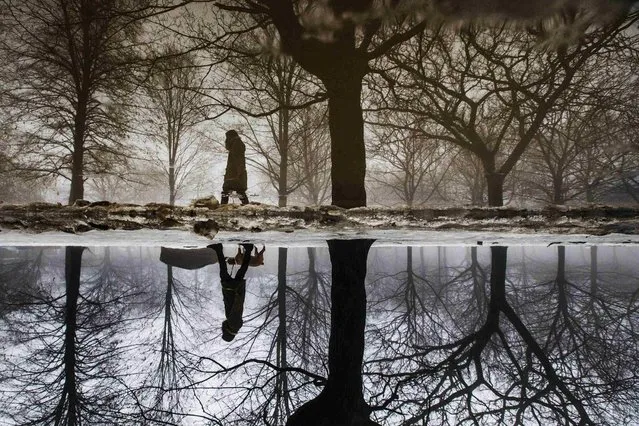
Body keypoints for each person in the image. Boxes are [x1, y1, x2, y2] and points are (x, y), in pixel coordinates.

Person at [208, 243, 254, 342]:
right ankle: (219, 249)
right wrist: (237, 293)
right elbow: (236, 307)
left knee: (241, 270)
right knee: (223, 270)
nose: (222, 330)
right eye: (224, 332)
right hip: (232, 290)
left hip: (234, 290)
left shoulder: (234, 325)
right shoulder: (233, 324)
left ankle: (248, 249)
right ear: (227, 333)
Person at [221, 129, 249, 205]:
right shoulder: (235, 144)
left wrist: (238, 173)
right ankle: (247, 206)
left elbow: (239, 159)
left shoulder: (236, 144)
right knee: (238, 191)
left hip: (234, 174)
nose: (226, 140)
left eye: (227, 137)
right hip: (234, 173)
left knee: (227, 190)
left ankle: (223, 207)